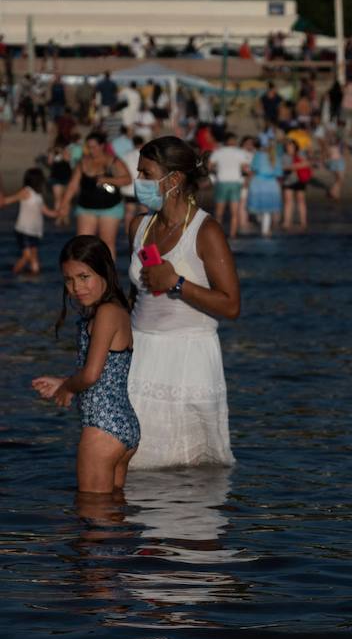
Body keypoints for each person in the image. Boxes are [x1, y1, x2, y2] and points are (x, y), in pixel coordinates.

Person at [126, 136, 242, 469]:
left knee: (187, 466)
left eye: (146, 174)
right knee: (135, 461)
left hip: (188, 358)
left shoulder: (206, 231)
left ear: (173, 179)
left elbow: (231, 305)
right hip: (141, 355)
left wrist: (176, 282)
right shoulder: (139, 226)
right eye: (139, 173)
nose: (139, 182)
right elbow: (136, 296)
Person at [31, 236, 139, 493]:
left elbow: (90, 376)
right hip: (125, 426)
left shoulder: (106, 313)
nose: (76, 287)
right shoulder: (114, 310)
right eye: (69, 280)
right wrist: (63, 381)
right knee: (113, 517)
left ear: (103, 271)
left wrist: (68, 388)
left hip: (102, 429)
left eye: (84, 277)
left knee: (92, 517)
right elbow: (106, 371)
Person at [61, 131, 132, 259]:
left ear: (102, 146)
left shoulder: (113, 161)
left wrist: (108, 180)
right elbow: (72, 185)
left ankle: (109, 274)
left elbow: (127, 180)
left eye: (94, 147)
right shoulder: (83, 162)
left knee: (107, 243)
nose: (91, 150)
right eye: (89, 147)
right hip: (86, 207)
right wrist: (64, 204)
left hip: (110, 208)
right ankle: (85, 273)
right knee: (82, 244)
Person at [2, 168, 58, 274]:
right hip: (24, 231)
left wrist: (57, 213)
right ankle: (12, 275)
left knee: (34, 258)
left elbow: (45, 211)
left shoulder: (39, 196)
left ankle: (35, 278)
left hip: (35, 232)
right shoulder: (26, 191)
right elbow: (9, 200)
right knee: (27, 256)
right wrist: (2, 201)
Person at [208, 133, 251, 238]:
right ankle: (233, 234)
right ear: (234, 141)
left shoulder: (218, 152)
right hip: (235, 183)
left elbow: (209, 166)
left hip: (222, 182)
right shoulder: (240, 152)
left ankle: (218, 236)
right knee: (234, 213)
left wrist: (216, 172)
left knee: (219, 213)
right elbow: (245, 168)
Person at [245, 139, 283, 237]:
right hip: (271, 184)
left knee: (259, 208)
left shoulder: (258, 155)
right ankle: (265, 230)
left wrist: (247, 181)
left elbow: (253, 169)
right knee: (268, 209)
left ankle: (263, 227)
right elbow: (279, 173)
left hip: (258, 182)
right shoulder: (276, 157)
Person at [280, 138, 312, 232]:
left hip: (300, 180)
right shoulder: (283, 156)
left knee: (301, 201)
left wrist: (294, 167)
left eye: (291, 146)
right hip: (288, 181)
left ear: (295, 147)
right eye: (288, 146)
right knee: (288, 202)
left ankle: (303, 222)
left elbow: (308, 164)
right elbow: (283, 168)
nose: (289, 148)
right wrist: (298, 166)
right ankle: (286, 222)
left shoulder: (300, 154)